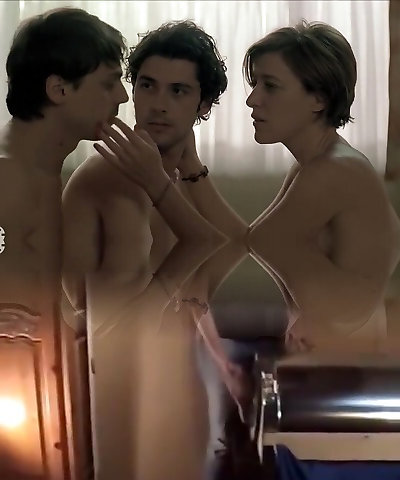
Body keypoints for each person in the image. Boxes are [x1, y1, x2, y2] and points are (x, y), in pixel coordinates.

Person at [62, 20, 249, 480]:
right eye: (148, 86)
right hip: (121, 375)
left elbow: (233, 251)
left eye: (178, 91)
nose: (159, 104)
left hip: (181, 369)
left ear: (202, 105)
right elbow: (89, 309)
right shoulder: (103, 179)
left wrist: (220, 360)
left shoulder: (182, 175)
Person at [0, 7, 129, 479]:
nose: (122, 97)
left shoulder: (53, 176)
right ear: (59, 90)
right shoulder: (7, 179)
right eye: (109, 83)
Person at [244, 20, 400, 351]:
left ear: (318, 98)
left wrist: (179, 177)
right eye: (255, 84)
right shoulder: (314, 163)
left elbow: (261, 241)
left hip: (348, 362)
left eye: (270, 86)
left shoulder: (334, 169)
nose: (252, 99)